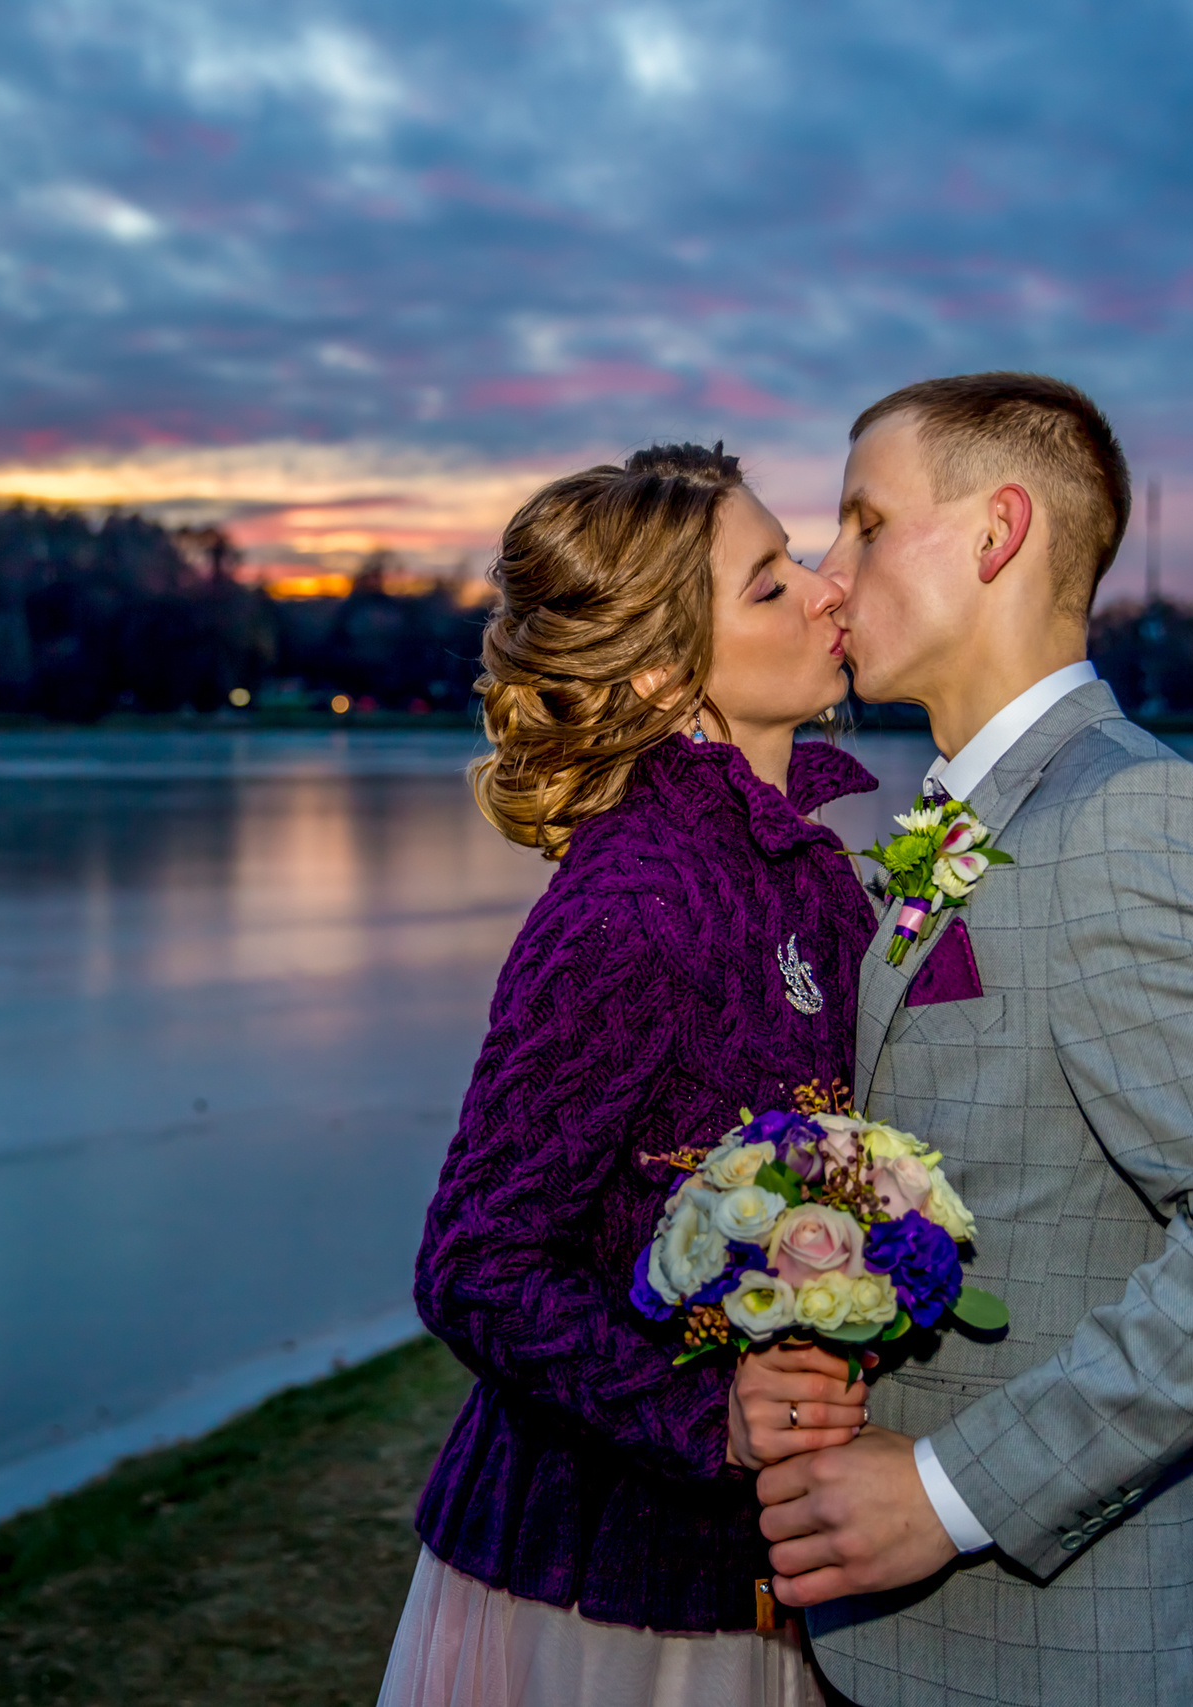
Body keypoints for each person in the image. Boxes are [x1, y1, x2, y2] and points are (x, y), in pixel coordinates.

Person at [759, 375, 1193, 1706]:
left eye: (864, 523)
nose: (828, 574)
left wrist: (948, 1490)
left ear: (995, 533)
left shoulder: (1138, 814)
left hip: (1075, 1657)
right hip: (908, 1650)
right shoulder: (951, 818)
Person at [380, 443, 882, 1707]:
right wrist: (705, 1415)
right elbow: (475, 1262)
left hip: (782, 1566)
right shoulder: (631, 902)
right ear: (665, 675)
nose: (828, 590)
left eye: (799, 560)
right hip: (607, 1599)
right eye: (769, 584)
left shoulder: (811, 874)